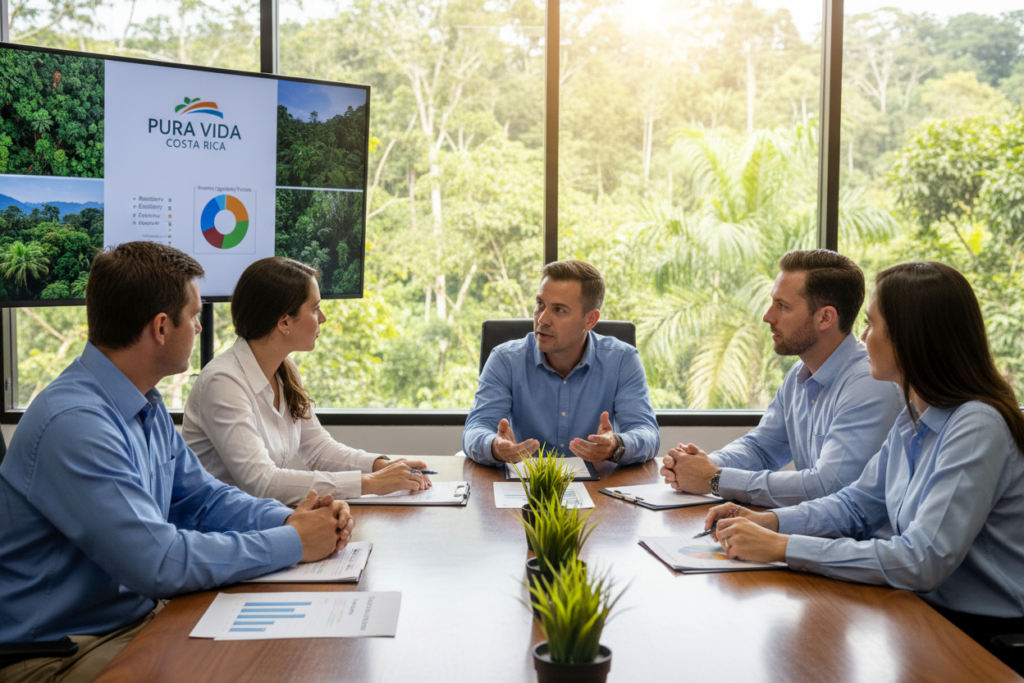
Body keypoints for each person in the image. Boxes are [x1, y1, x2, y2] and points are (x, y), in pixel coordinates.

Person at [0, 242, 352, 683]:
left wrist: (291, 519)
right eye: (196, 315)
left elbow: (205, 501)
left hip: (131, 621)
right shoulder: (75, 424)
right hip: (59, 651)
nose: (202, 326)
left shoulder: (142, 404)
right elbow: (159, 561)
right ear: (162, 328)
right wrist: (294, 541)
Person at [705, 261, 1024, 672]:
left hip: (983, 637)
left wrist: (783, 548)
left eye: (872, 325)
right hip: (921, 612)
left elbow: (921, 560)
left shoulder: (976, 424)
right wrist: (772, 523)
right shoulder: (914, 417)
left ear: (911, 339)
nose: (864, 337)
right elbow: (856, 505)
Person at [661, 250, 902, 507]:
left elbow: (827, 487)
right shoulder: (797, 377)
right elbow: (762, 448)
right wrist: (703, 464)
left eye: (782, 306)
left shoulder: (868, 384)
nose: (767, 316)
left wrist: (715, 478)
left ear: (825, 317)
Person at [184, 257, 429, 505]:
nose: (322, 318)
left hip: (259, 518)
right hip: (221, 529)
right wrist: (372, 483)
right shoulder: (223, 382)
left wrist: (382, 466)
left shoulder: (284, 371)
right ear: (284, 322)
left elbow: (319, 449)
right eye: (314, 308)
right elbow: (261, 482)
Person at [463, 259, 659, 466]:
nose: (542, 319)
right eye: (540, 304)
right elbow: (476, 427)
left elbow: (647, 433)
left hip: (599, 487)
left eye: (559, 310)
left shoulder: (622, 360)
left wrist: (616, 445)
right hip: (528, 486)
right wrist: (494, 446)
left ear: (590, 320)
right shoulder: (505, 359)